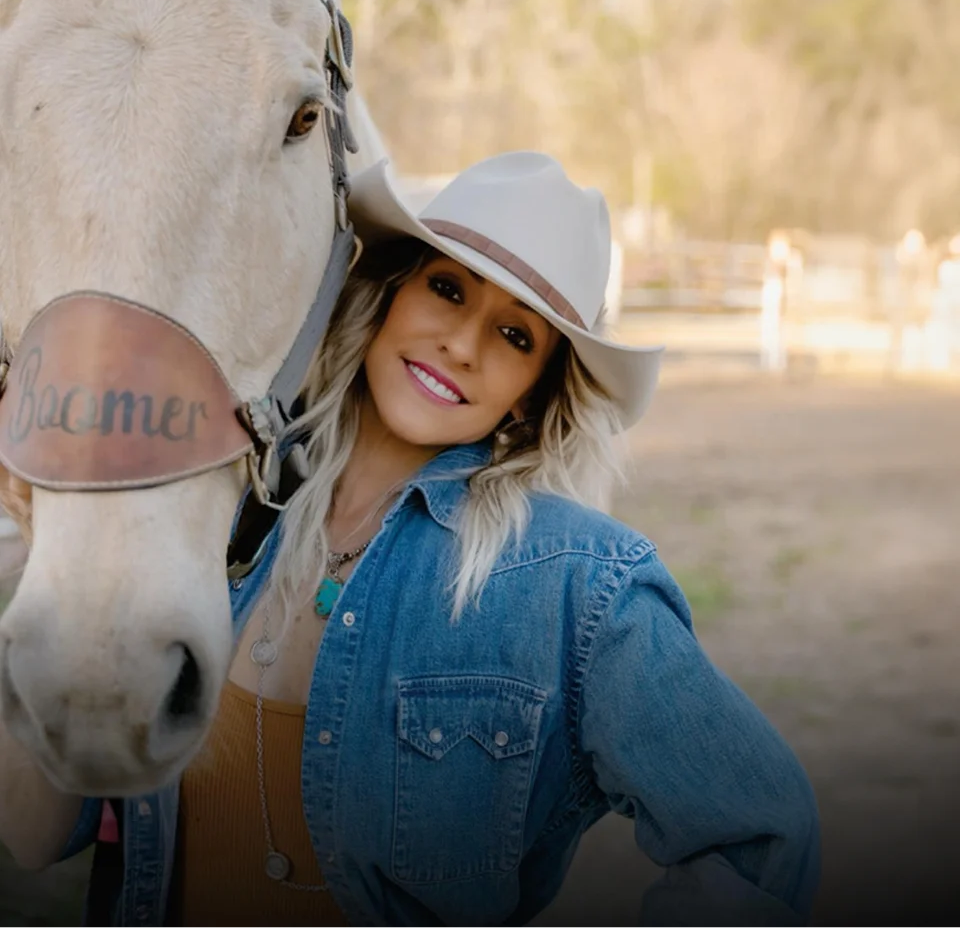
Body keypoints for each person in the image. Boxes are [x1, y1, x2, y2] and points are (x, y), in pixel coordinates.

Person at [5, 151, 819, 928]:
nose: (462, 344)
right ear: (387, 292)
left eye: (515, 336)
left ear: (534, 393)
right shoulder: (220, 513)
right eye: (446, 288)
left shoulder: (576, 586)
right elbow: (40, 831)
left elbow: (758, 834)